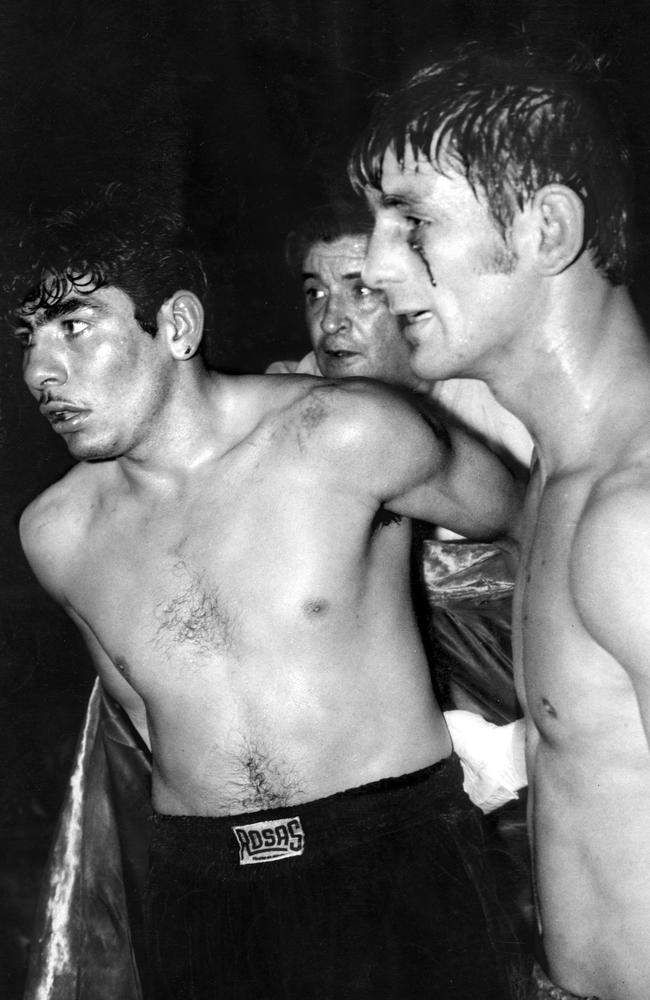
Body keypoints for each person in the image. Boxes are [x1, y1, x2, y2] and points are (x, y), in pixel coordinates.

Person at [8, 187, 523, 999]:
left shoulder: (348, 433)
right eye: (26, 338)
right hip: (202, 891)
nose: (41, 370)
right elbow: (142, 718)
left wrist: (541, 736)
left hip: (391, 867)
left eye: (75, 327)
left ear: (175, 326)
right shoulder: (58, 533)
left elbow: (532, 526)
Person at [350, 41, 650, 1000]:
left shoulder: (633, 517)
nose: (372, 263)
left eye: (412, 222)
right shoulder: (563, 479)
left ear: (545, 229)